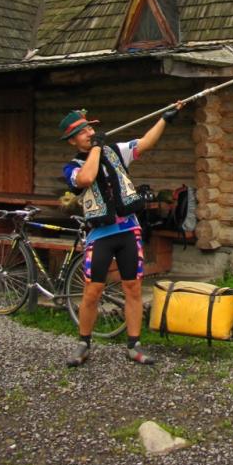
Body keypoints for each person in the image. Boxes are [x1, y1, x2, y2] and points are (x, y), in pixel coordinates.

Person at [59, 103, 182, 367]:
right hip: (100, 235)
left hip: (128, 230)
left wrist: (164, 119)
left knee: (133, 288)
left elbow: (144, 143)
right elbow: (86, 179)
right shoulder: (72, 167)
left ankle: (134, 345)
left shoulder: (114, 151)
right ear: (72, 141)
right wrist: (95, 148)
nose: (89, 132)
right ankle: (84, 343)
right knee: (93, 291)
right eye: (83, 132)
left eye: (90, 128)